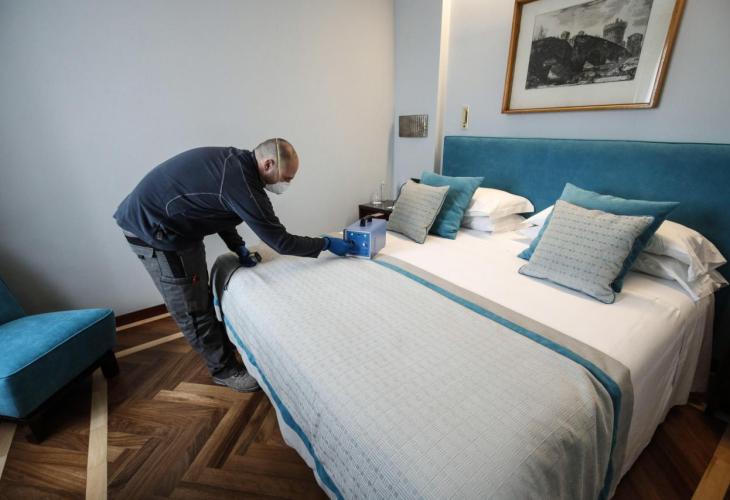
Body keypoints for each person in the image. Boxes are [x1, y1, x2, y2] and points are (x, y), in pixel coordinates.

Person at [113, 138, 355, 392]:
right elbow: (281, 242)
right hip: (156, 232)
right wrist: (326, 243)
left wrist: (238, 246)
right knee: (192, 308)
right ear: (268, 164)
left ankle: (223, 348)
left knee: (200, 297)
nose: (287, 184)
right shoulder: (242, 184)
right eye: (287, 178)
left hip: (177, 227)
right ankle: (224, 370)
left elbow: (218, 210)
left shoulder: (236, 164)